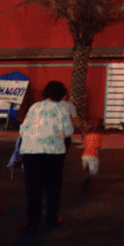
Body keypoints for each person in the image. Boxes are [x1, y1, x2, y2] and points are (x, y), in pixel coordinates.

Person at [19, 81, 74, 233]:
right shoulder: (62, 108)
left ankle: (32, 221)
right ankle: (51, 217)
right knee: (53, 187)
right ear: (61, 94)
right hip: (53, 152)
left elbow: (23, 129)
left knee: (33, 188)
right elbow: (68, 131)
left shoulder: (34, 107)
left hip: (30, 150)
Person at [81, 122, 103, 191]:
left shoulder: (86, 136)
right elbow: (97, 148)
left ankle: (85, 183)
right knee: (92, 172)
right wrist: (98, 158)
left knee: (86, 171)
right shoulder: (98, 136)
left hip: (84, 155)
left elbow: (84, 145)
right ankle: (87, 184)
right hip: (92, 155)